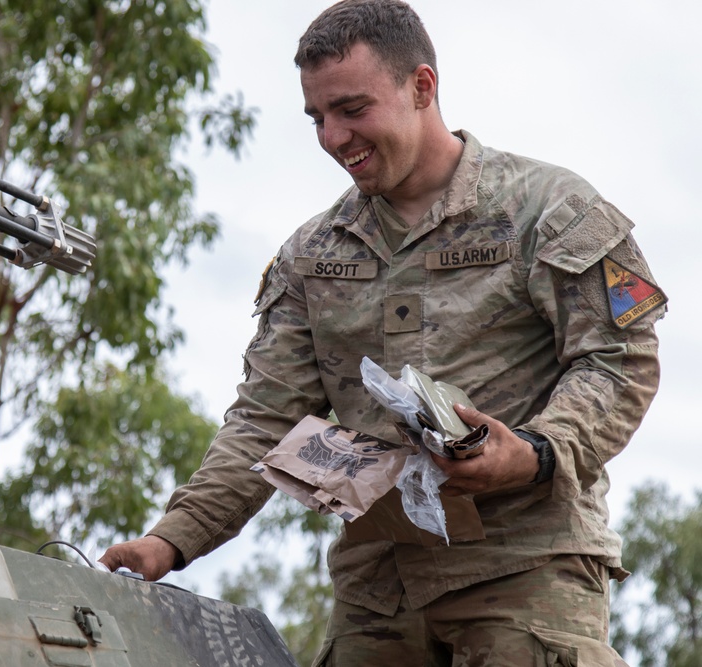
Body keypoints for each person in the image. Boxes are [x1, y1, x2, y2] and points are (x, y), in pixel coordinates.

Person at [101, 0, 666, 664]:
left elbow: (619, 361)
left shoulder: (551, 211)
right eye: (317, 117)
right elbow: (264, 420)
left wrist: (537, 450)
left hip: (526, 574)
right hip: (380, 591)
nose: (334, 138)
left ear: (421, 87)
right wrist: (173, 539)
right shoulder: (310, 253)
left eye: (352, 109)